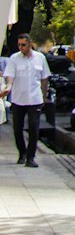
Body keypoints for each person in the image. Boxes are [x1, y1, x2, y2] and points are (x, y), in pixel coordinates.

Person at [1, 34, 50, 166]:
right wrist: (9, 86)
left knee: (34, 128)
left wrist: (44, 95)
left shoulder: (40, 58)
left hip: (35, 99)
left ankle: (30, 157)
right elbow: (9, 76)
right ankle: (22, 153)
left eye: (23, 45)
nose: (21, 47)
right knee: (17, 128)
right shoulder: (14, 59)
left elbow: (44, 78)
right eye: (19, 45)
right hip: (18, 99)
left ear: (30, 44)